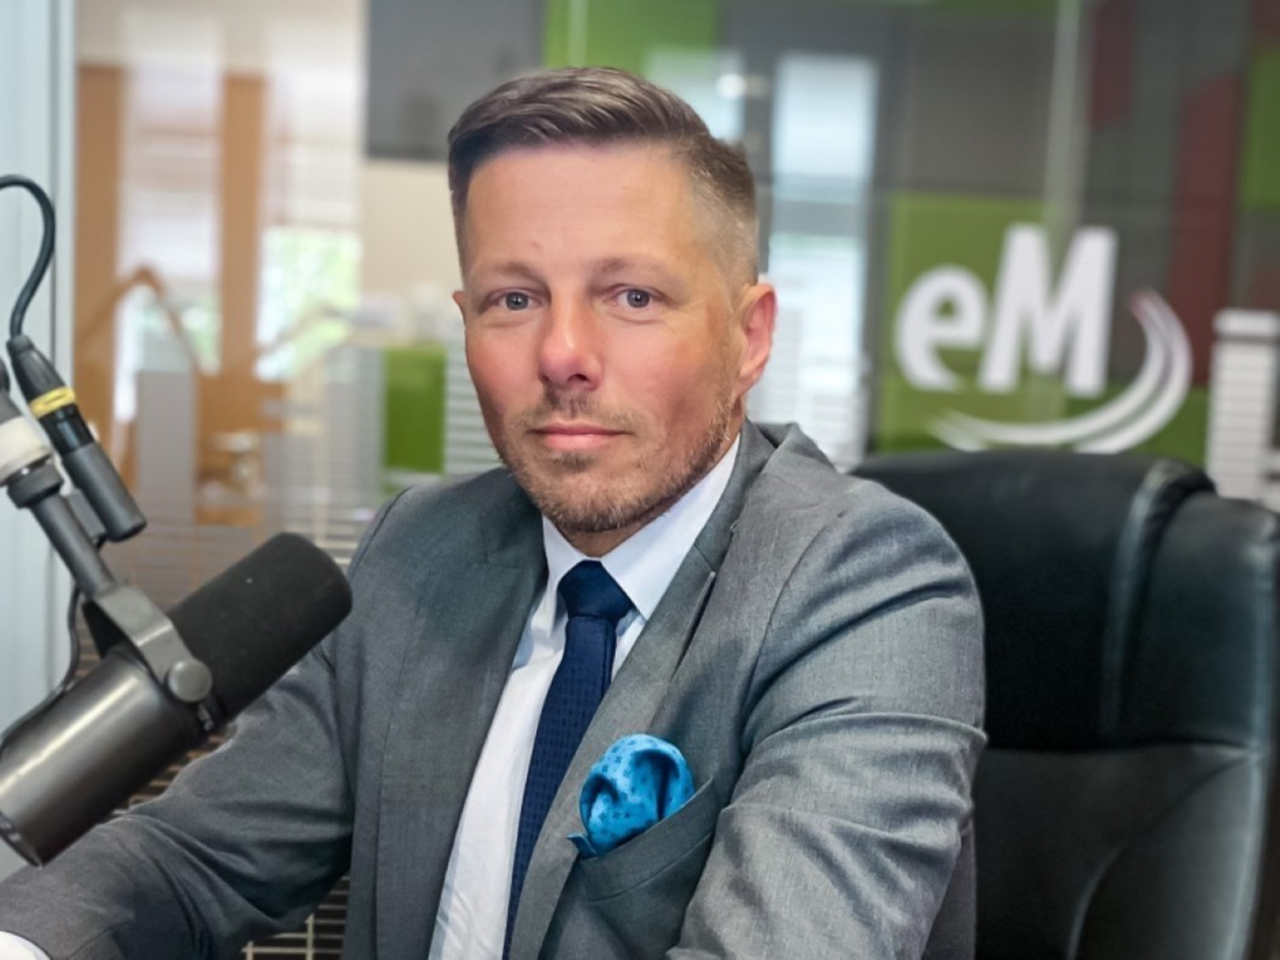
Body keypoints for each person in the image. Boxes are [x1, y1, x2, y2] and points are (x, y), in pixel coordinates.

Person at [0, 66, 984, 960]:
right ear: (465, 321)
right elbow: (188, 862)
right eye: (514, 300)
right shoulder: (419, 551)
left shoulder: (866, 581)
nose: (562, 354)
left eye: (632, 296)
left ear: (749, 335)